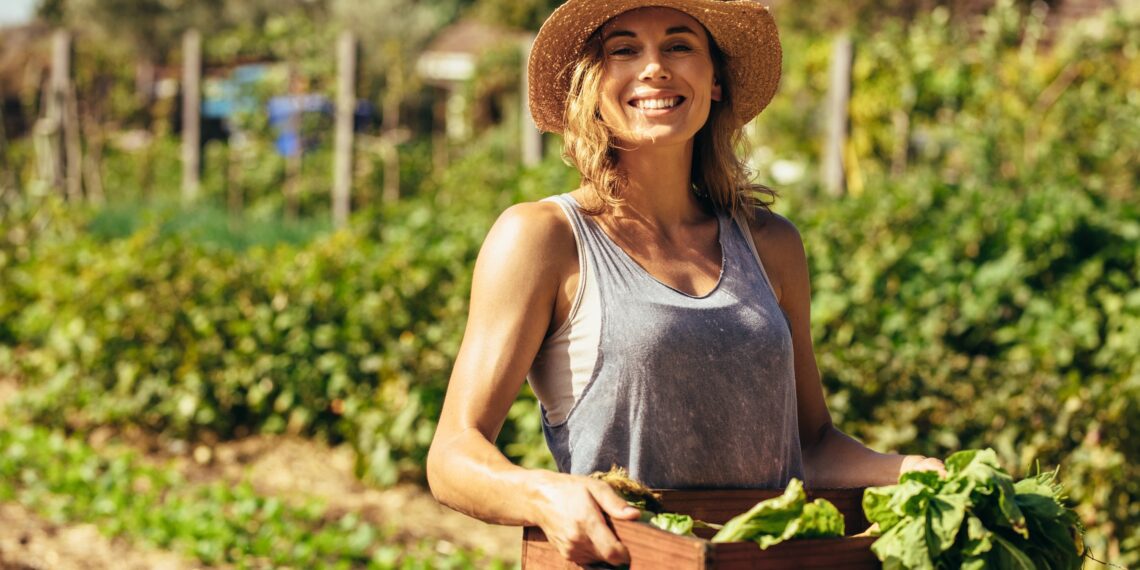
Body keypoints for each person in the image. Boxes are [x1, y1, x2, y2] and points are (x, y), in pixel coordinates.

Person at [426, 0, 945, 565]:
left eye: (679, 46)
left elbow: (811, 444)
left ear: (715, 81)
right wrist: (543, 493)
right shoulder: (544, 237)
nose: (654, 67)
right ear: (591, 86)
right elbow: (453, 454)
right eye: (624, 50)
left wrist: (913, 471)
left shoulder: (770, 244)